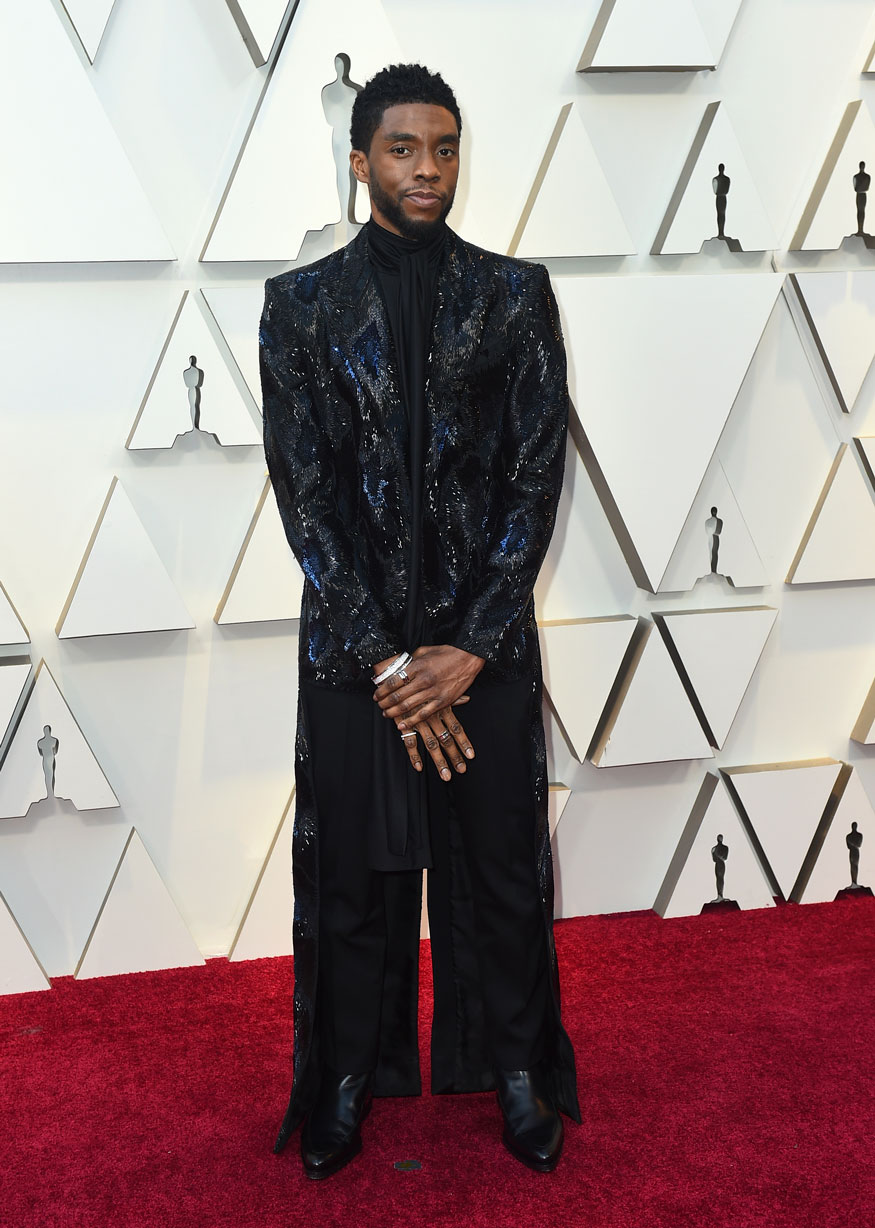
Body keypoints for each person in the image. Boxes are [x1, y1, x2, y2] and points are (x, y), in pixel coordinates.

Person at [260, 62, 579, 1181]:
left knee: (497, 871)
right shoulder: (296, 308)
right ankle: (346, 1081)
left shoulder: (513, 295)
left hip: (478, 651)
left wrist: (469, 648)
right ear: (360, 162)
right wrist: (394, 666)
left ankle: (515, 1074)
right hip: (357, 662)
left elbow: (534, 481)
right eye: (403, 149)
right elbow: (304, 495)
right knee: (354, 877)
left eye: (443, 148)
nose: (427, 169)